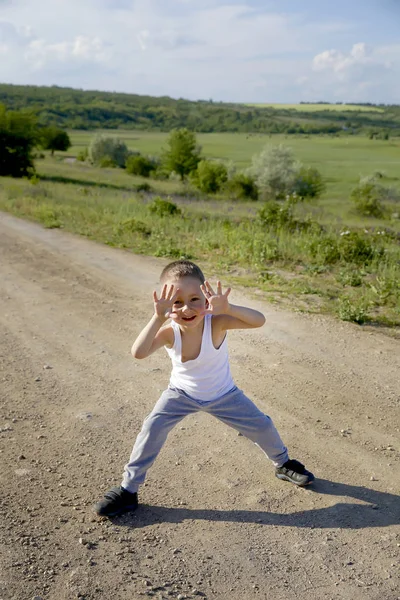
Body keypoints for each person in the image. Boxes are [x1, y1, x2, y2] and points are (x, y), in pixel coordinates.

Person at [94, 260, 314, 517]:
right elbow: (138, 352)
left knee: (262, 425)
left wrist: (229, 307)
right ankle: (128, 490)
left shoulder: (217, 322)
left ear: (206, 298)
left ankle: (282, 463)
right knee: (151, 429)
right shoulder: (169, 332)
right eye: (176, 302)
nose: (186, 308)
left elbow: (259, 321)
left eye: (194, 299)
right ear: (166, 305)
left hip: (224, 395)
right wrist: (157, 317)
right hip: (180, 395)